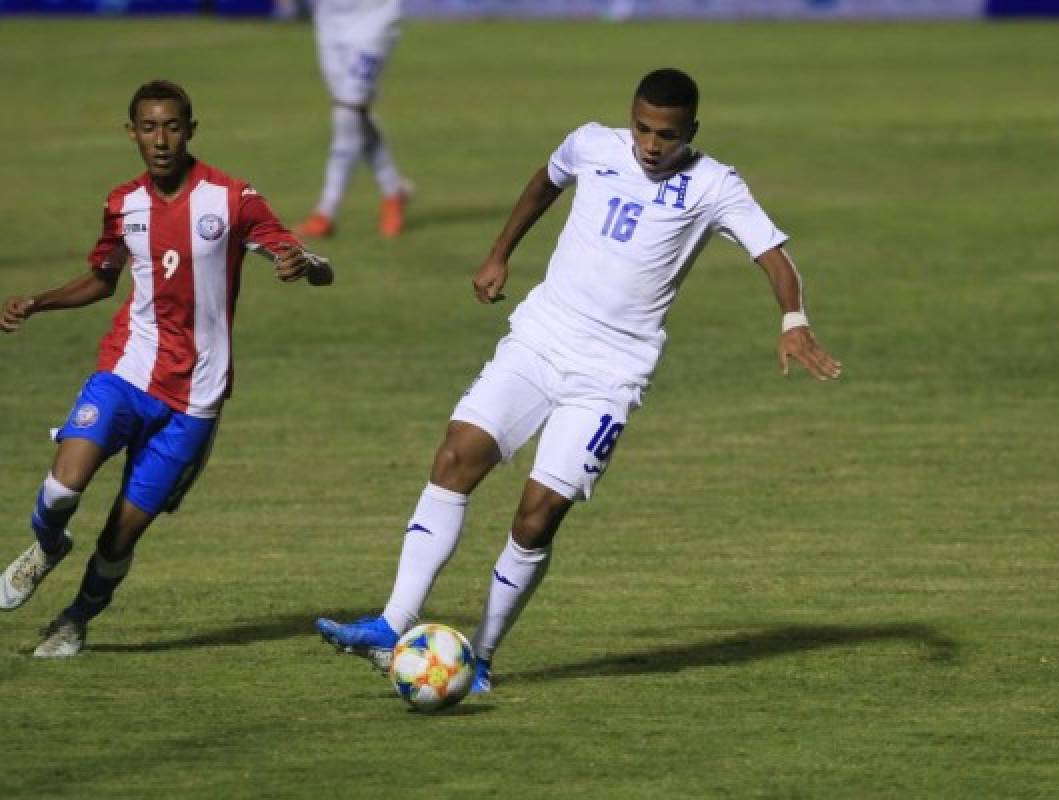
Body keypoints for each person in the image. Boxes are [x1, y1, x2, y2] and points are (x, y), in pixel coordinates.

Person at [316, 68, 841, 692]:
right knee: (457, 456)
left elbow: (775, 257)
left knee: (537, 516)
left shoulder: (714, 185)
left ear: (691, 132)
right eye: (643, 128)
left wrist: (793, 318)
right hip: (538, 339)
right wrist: (498, 252)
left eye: (666, 136)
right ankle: (392, 620)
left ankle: (478, 657)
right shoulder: (592, 144)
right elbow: (545, 182)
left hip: (609, 375)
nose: (650, 145)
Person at [0, 80, 334, 658]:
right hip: (127, 371)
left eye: (173, 126)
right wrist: (39, 300)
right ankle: (47, 548)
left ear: (191, 131)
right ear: (132, 133)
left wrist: (305, 265)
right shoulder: (121, 204)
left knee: (119, 535)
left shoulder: (232, 198)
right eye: (149, 127)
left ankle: (75, 620)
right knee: (60, 489)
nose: (161, 139)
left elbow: (303, 258)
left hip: (194, 400)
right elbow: (104, 278)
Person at [296, 0, 413, 240]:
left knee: (347, 108)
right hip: (329, 18)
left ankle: (326, 212)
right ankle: (393, 191)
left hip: (375, 17)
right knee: (353, 110)